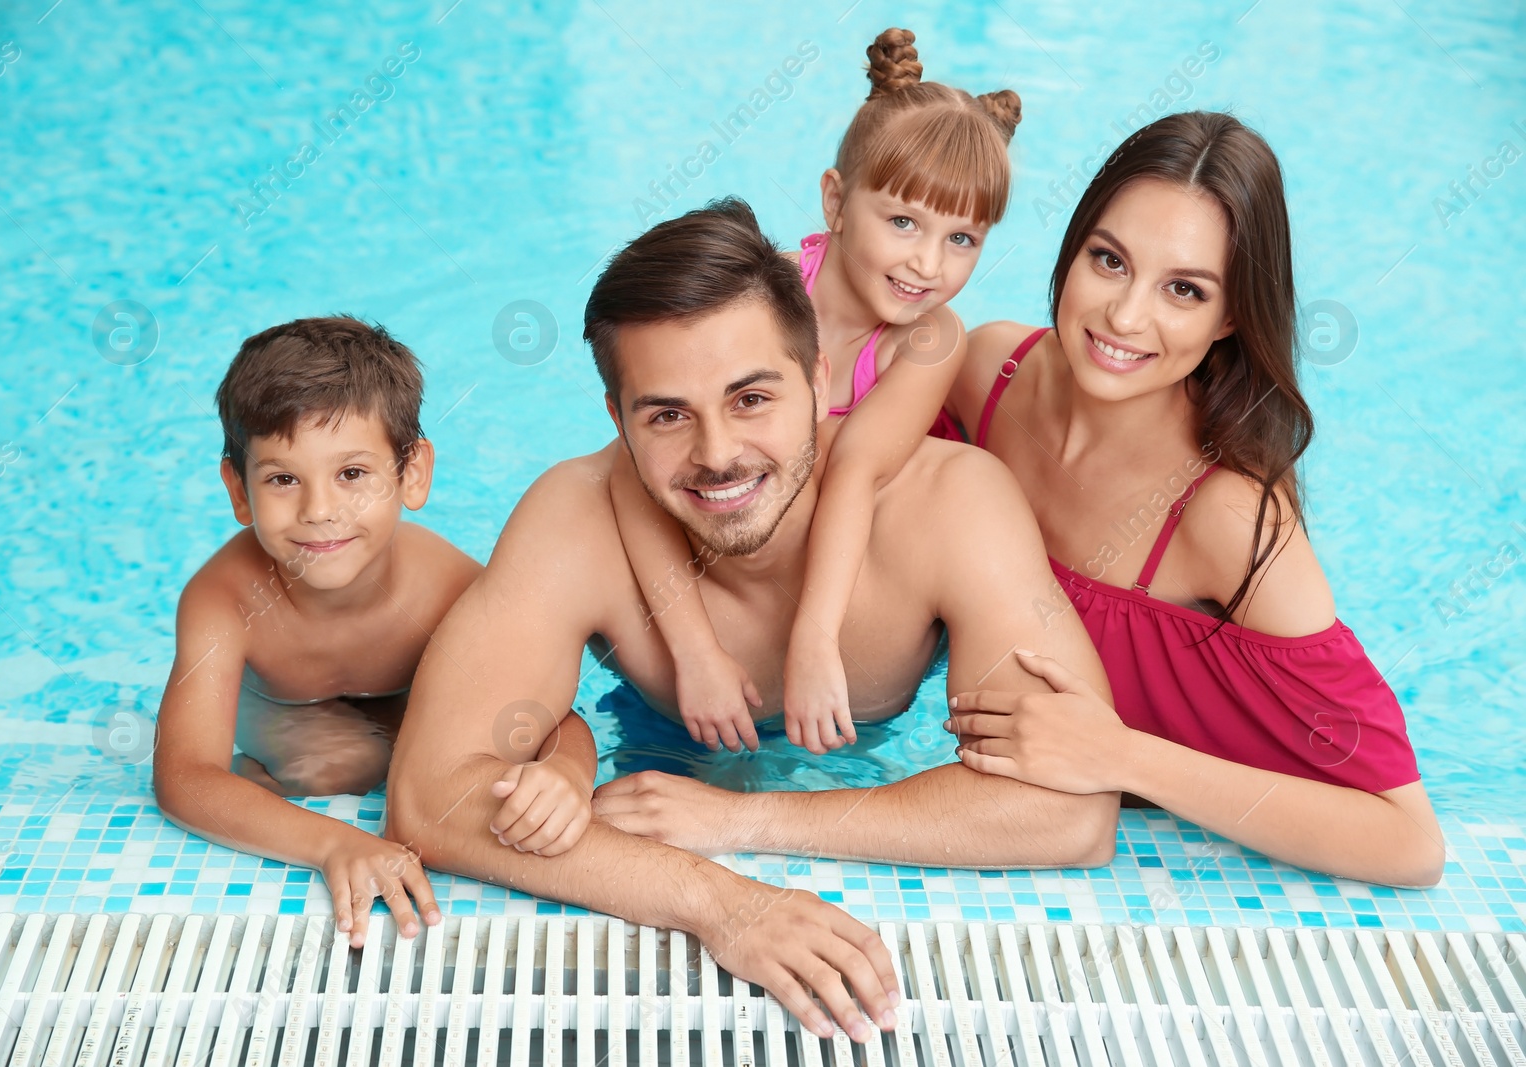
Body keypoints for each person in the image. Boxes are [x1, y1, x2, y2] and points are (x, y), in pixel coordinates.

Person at [385, 198, 1119, 1043]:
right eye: (666, 414)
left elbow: (1072, 810)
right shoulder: (575, 520)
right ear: (618, 419)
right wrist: (719, 904)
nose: (718, 453)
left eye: (750, 398)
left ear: (817, 382)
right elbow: (428, 796)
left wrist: (741, 822)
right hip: (660, 749)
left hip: (816, 774)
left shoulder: (947, 507)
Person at [938, 112, 1444, 888]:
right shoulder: (988, 372)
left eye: (1184, 289)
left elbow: (1409, 842)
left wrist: (1121, 754)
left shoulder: (1230, 519)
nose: (1126, 316)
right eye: (1109, 261)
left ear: (1230, 316)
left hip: (1159, 863)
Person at [609, 27, 1021, 755]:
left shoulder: (930, 339)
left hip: (851, 578)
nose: (928, 264)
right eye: (902, 222)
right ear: (835, 200)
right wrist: (695, 653)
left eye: (963, 239)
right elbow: (628, 470)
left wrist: (815, 639)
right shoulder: (761, 297)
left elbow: (854, 469)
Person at [153, 316, 585, 949]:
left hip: (414, 709)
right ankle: (280, 778)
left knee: (465, 763)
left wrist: (568, 776)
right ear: (238, 490)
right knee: (332, 764)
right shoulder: (223, 600)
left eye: (352, 474)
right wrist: (335, 842)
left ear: (412, 473)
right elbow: (186, 776)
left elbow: (550, 714)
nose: (319, 511)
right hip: (284, 719)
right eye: (282, 479)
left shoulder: (451, 591)